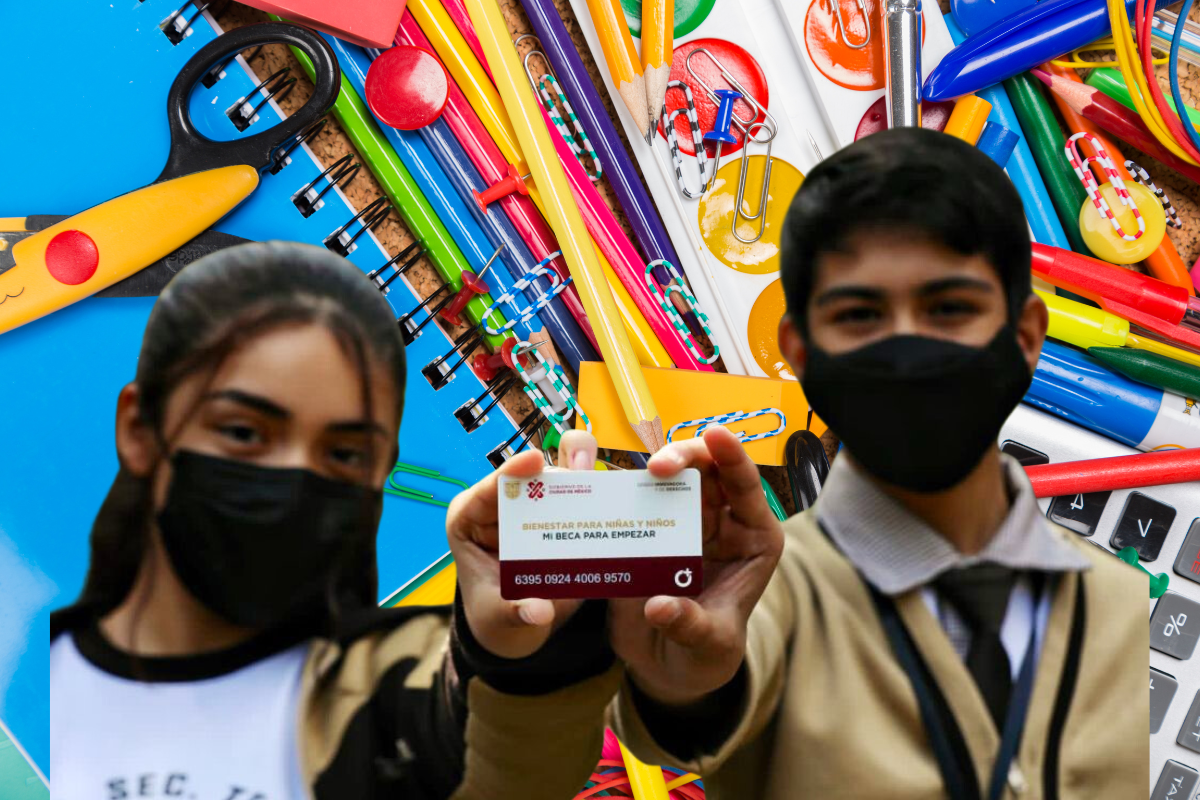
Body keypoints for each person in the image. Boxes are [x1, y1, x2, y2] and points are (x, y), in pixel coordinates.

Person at [449, 127, 1147, 799]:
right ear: (798, 350)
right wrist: (529, 662)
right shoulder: (761, 597)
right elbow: (643, 731)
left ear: (1024, 338)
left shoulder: (1118, 608)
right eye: (858, 317)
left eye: (949, 309)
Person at [49, 242, 620, 800]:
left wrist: (516, 656)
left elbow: (502, 771)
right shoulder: (42, 694)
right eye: (245, 432)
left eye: (345, 455)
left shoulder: (390, 689)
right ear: (141, 428)